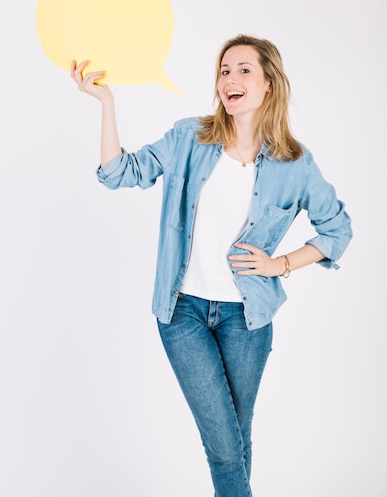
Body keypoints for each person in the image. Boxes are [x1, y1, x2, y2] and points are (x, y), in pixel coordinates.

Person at [70, 34, 352, 497]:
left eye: (243, 70)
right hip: (184, 314)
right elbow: (120, 172)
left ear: (268, 85)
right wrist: (106, 103)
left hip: (247, 319)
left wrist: (281, 263)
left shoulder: (295, 163)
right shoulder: (190, 137)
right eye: (224, 71)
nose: (230, 79)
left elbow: (337, 231)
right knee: (223, 445)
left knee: (237, 440)